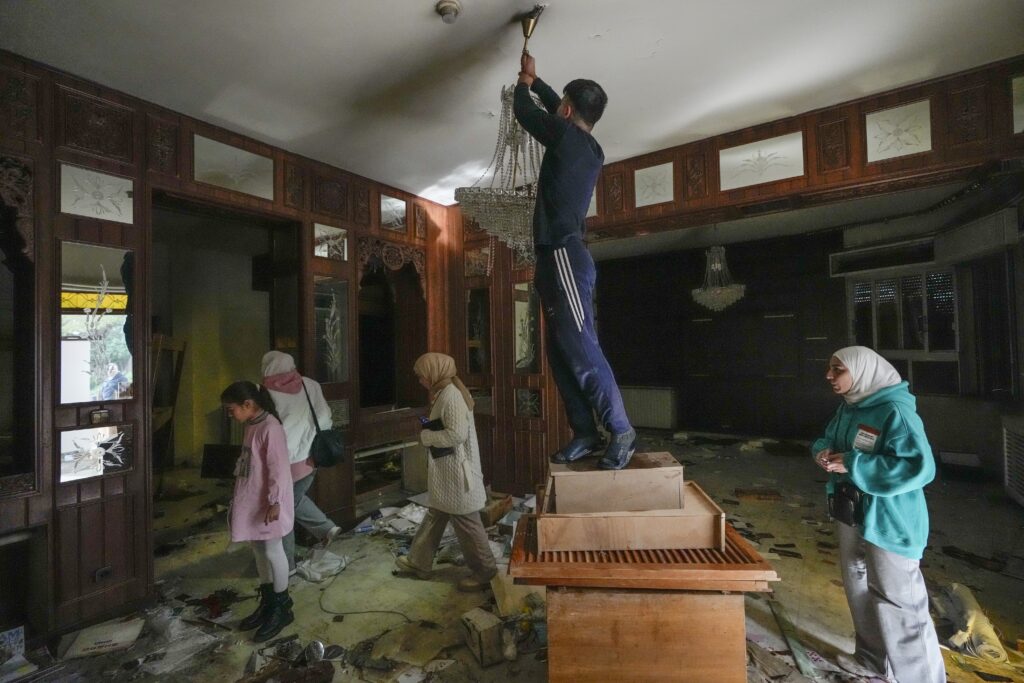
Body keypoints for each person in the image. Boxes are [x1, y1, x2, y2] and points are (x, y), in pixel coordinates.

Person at [513, 51, 635, 470]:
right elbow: (555, 109)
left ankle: (621, 430)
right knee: (561, 354)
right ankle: (585, 431)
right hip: (555, 259)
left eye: (561, 105)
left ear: (566, 110)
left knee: (580, 348)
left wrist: (525, 85)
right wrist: (539, 78)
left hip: (563, 254)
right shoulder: (591, 147)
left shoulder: (565, 138)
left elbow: (524, 112)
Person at [812, 346, 945, 682]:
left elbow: (919, 467)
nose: (829, 376)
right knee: (857, 584)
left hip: (888, 517)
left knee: (900, 601)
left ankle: (923, 678)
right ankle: (873, 660)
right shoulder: (851, 406)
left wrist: (853, 463)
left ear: (862, 371)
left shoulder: (894, 412)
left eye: (837, 369)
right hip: (851, 509)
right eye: (830, 368)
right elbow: (826, 438)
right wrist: (823, 452)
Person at [394, 353, 497, 592]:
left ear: (434, 372)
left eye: (422, 375)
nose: (420, 380)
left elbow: (456, 434)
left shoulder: (451, 396)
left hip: (458, 474)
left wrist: (426, 436)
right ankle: (419, 562)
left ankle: (486, 572)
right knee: (436, 515)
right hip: (448, 474)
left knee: (467, 522)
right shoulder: (445, 392)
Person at [221, 381, 295, 643]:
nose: (230, 415)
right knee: (259, 550)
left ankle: (282, 607)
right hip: (252, 498)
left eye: (232, 410)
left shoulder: (270, 427)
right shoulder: (252, 425)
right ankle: (268, 601)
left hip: (269, 501)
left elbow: (277, 469)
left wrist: (276, 501)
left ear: (248, 404)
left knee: (274, 550)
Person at [261, 351, 341, 574]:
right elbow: (325, 417)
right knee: (293, 501)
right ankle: (326, 529)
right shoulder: (310, 384)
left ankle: (286, 566)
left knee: (283, 511)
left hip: (283, 462)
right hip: (310, 458)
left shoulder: (264, 392)